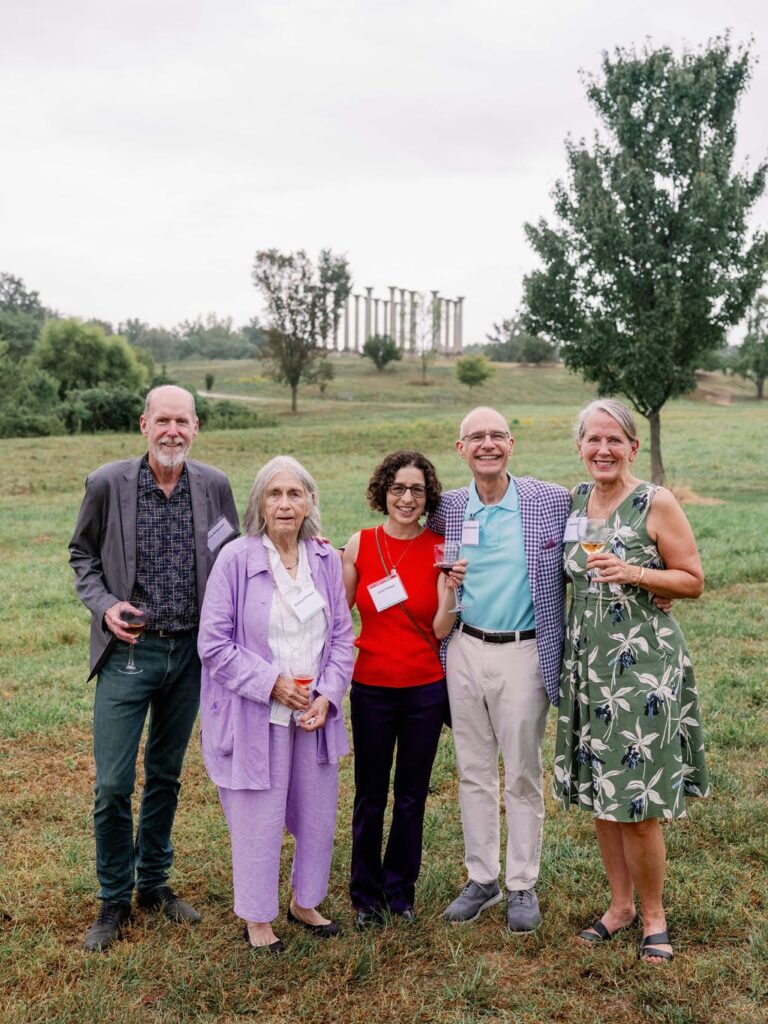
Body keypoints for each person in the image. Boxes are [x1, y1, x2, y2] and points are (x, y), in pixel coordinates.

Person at [69, 384, 239, 952]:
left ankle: (154, 884)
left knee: (165, 776)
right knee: (114, 784)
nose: (172, 431)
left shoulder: (214, 485)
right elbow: (82, 557)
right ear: (144, 425)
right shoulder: (106, 483)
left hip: (190, 655)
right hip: (129, 655)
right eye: (162, 420)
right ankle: (113, 897)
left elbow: (234, 558)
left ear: (196, 427)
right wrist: (104, 605)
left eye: (182, 422)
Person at [554, 399, 709, 963]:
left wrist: (638, 573)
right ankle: (618, 907)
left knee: (639, 801)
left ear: (633, 448)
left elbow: (692, 579)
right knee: (602, 793)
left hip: (642, 670)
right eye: (592, 440)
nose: (603, 450)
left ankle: (653, 916)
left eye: (614, 440)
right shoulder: (574, 500)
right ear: (580, 446)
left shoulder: (655, 501)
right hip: (589, 670)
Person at [197, 456, 354, 952]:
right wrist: (272, 684)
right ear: (259, 504)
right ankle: (258, 918)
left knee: (316, 814)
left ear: (310, 502)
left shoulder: (326, 560)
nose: (285, 504)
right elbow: (214, 644)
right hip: (255, 713)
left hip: (312, 714)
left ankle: (304, 902)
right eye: (274, 494)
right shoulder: (235, 559)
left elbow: (343, 638)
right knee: (257, 819)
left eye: (295, 494)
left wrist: (328, 695)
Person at [427, 407, 570, 932]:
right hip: (463, 647)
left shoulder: (550, 500)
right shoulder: (447, 507)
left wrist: (651, 582)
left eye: (496, 436)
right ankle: (482, 878)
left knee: (523, 772)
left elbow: (608, 516)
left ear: (511, 444)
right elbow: (397, 530)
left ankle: (522, 884)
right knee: (473, 769)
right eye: (475, 437)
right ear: (460, 449)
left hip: (525, 651)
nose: (487, 444)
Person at [342, 451, 465, 929]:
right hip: (371, 687)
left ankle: (400, 893)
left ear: (427, 495)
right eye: (398, 489)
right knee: (369, 795)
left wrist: (452, 589)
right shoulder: (361, 544)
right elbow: (337, 613)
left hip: (423, 691)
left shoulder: (440, 549)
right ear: (383, 492)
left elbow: (439, 629)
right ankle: (365, 895)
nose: (407, 498)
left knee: (411, 796)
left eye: (416, 490)